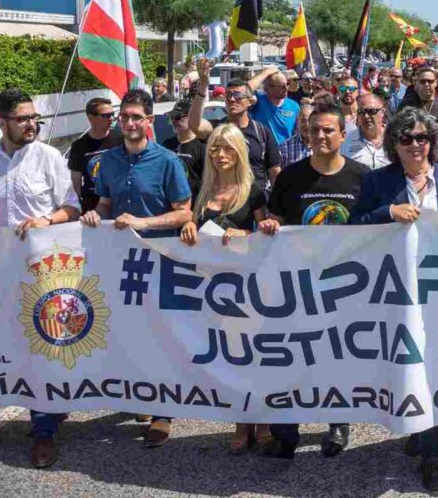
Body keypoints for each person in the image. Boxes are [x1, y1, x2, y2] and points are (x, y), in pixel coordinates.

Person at [350, 107, 438, 492]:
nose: (416, 145)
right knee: (406, 367)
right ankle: (416, 429)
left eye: (422, 137)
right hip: (394, 295)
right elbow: (353, 230)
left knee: (436, 372)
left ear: (433, 141)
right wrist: (387, 211)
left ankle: (433, 454)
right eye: (406, 139)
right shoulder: (376, 182)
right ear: (394, 145)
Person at [0, 88, 80, 470]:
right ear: (2, 122)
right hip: (0, 273)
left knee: (43, 344)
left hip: (47, 271)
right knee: (11, 344)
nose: (32, 124)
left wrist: (46, 220)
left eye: (35, 118)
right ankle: (41, 405)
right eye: (24, 118)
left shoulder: (49, 158)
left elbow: (71, 208)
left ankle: (43, 431)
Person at [80, 88, 191, 449]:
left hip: (160, 259)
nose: (128, 122)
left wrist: (145, 223)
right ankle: (143, 395)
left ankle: (162, 412)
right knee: (131, 334)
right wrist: (97, 213)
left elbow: (184, 212)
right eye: (123, 116)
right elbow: (107, 202)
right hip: (122, 263)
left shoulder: (167, 161)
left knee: (161, 336)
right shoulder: (108, 160)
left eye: (135, 117)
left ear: (147, 121)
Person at [259, 103, 370, 460]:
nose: (320, 136)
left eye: (328, 130)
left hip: (344, 285)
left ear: (342, 134)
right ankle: (285, 433)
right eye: (314, 130)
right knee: (292, 356)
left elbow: (376, 230)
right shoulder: (290, 177)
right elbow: (275, 219)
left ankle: (338, 423)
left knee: (337, 357)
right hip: (297, 283)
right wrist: (270, 227)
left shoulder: (362, 177)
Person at [176, 124, 270, 452]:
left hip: (246, 288)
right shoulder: (201, 191)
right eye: (215, 148)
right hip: (211, 289)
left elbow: (269, 235)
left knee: (253, 359)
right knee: (230, 361)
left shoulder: (253, 190)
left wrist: (248, 236)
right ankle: (242, 423)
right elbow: (190, 224)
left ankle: (262, 423)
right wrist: (189, 224)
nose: (220, 155)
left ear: (240, 152)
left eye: (228, 148)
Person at [191, 58, 281, 196]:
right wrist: (203, 85)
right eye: (228, 95)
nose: (232, 99)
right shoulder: (218, 129)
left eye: (238, 96)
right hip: (222, 200)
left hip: (255, 205)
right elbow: (194, 125)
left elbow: (274, 171)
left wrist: (277, 206)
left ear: (250, 102)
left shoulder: (261, 132)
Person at [67, 97, 121, 213]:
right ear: (91, 118)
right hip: (92, 207)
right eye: (106, 116)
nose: (111, 119)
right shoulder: (78, 146)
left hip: (119, 202)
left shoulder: (121, 139)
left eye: (112, 114)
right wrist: (76, 210)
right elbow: (76, 184)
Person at [161, 98, 207, 198]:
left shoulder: (202, 148)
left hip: (193, 205)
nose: (173, 121)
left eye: (178, 117)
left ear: (192, 118)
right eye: (171, 117)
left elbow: (206, 183)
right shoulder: (166, 145)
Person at [247, 67, 301, 146]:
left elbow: (297, 134)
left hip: (286, 153)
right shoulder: (258, 101)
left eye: (287, 84)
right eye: (282, 86)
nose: (286, 88)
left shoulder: (294, 106)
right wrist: (266, 73)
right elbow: (245, 90)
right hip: (263, 152)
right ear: (269, 88)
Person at [340, 92, 390, 170]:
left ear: (382, 112)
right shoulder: (346, 142)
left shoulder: (395, 140)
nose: (366, 116)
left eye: (371, 111)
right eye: (361, 112)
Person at [278, 103, 314, 167]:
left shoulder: (323, 145)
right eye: (303, 121)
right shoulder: (284, 147)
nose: (307, 125)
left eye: (310, 120)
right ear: (297, 122)